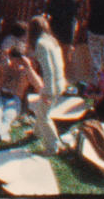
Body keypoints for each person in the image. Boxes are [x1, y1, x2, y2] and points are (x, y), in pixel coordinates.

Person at [0, 46, 43, 144]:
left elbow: (40, 86)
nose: (15, 64)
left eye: (18, 61)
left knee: (8, 117)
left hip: (14, 99)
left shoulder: (25, 72)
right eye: (13, 60)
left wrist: (29, 67)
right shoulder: (4, 66)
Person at [28, 15, 66, 156]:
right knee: (41, 109)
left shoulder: (41, 44)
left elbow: (48, 70)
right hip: (60, 81)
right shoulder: (52, 40)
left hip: (52, 85)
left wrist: (46, 91)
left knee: (44, 116)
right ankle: (37, 132)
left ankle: (53, 146)